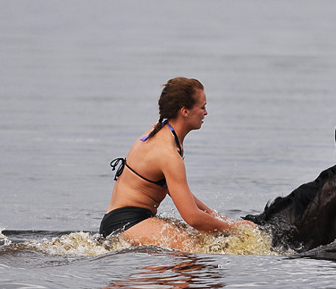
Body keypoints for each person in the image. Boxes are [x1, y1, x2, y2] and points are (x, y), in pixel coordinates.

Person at [100, 77, 252, 250]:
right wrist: (236, 229)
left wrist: (217, 217)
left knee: (203, 238)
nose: (206, 113)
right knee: (191, 250)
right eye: (202, 107)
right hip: (124, 224)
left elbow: (179, 192)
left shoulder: (164, 131)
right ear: (184, 111)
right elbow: (193, 217)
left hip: (128, 218)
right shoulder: (168, 154)